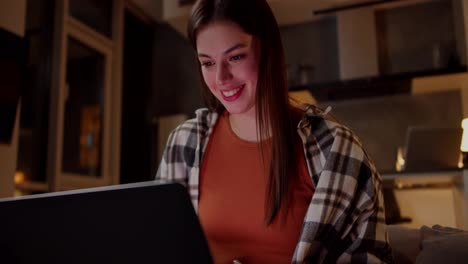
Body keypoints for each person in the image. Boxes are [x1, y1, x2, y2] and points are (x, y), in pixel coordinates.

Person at [156, 0, 394, 263]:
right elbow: (160, 245)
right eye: (207, 63)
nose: (221, 78)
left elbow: (369, 258)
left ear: (268, 51)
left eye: (235, 57)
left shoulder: (336, 150)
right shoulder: (184, 142)